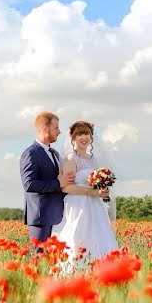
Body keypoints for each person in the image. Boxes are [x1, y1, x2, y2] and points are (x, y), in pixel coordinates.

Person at [55, 120, 118, 270]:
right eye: (80, 134)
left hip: (95, 206)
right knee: (79, 235)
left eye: (87, 134)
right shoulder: (71, 159)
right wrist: (92, 192)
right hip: (78, 205)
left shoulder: (93, 159)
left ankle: (101, 269)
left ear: (91, 137)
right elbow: (66, 188)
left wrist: (101, 191)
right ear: (73, 137)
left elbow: (97, 183)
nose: (84, 137)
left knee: (99, 235)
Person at [19, 112, 74, 252]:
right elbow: (29, 184)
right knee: (38, 260)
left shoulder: (55, 153)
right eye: (56, 127)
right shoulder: (30, 153)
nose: (59, 131)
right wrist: (57, 183)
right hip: (41, 218)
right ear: (45, 129)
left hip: (58, 217)